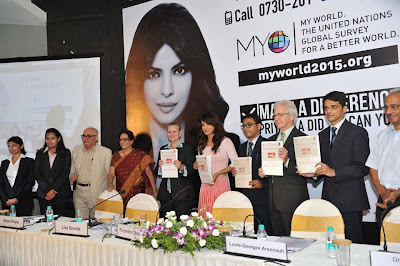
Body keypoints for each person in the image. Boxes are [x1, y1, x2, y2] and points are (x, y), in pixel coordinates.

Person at [125, 3, 229, 158]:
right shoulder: (133, 151)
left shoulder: (221, 143)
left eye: (179, 71)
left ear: (196, 75)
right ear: (138, 80)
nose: (167, 90)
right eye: (154, 75)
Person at [300, 91, 370, 244]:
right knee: (331, 245)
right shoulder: (322, 135)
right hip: (329, 200)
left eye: (333, 107)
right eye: (326, 108)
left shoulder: (357, 132)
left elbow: (363, 168)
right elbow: (322, 166)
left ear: (344, 108)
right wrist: (312, 173)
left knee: (353, 245)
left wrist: (334, 172)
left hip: (351, 201)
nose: (329, 111)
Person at [258, 100, 308, 236]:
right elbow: (272, 168)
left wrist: (287, 161)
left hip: (292, 198)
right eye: (274, 115)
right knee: (278, 240)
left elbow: (306, 171)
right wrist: (264, 172)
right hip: (273, 199)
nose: (276, 118)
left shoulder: (302, 139)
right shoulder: (270, 140)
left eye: (280, 114)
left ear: (292, 116)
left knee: (296, 241)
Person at [231, 113, 272, 235]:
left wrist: (263, 183)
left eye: (249, 125)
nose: (246, 128)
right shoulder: (241, 147)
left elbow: (275, 171)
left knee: (264, 231)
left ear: (259, 126)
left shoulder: (267, 144)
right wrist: (235, 172)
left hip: (263, 197)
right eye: (243, 126)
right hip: (245, 196)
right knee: (248, 231)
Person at [366, 89, 400, 227]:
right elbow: (373, 166)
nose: (388, 112)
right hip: (385, 199)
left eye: (394, 106)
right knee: (385, 244)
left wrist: (398, 193)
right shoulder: (382, 135)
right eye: (386, 107)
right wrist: (382, 191)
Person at [193, 112, 238, 217]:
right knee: (205, 218)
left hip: (221, 183)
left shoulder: (225, 141)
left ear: (215, 124)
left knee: (221, 217)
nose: (205, 127)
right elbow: (203, 164)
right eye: (203, 125)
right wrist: (197, 165)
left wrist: (218, 173)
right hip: (205, 185)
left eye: (208, 124)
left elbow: (235, 162)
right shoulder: (201, 144)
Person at [107, 130, 157, 210]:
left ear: (131, 141)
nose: (122, 142)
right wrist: (110, 183)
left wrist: (154, 189)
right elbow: (111, 173)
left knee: (137, 213)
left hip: (138, 192)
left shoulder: (140, 154)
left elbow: (149, 173)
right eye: (120, 140)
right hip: (122, 191)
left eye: (125, 139)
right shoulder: (116, 156)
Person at [70, 127, 112, 219]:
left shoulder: (105, 152)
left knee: (98, 223)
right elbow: (72, 170)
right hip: (79, 192)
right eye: (83, 136)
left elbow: (110, 173)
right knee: (80, 223)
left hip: (96, 192)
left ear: (96, 138)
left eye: (89, 136)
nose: (85, 138)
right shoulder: (76, 150)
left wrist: (110, 191)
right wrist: (72, 176)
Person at [156, 122, 196, 218]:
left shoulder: (187, 148)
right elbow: (156, 172)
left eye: (174, 131)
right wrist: (160, 167)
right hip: (165, 194)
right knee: (165, 226)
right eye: (169, 132)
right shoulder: (163, 149)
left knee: (182, 226)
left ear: (180, 133)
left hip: (183, 194)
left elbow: (192, 170)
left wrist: (182, 167)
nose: (171, 134)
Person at [35, 128, 72, 216]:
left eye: (52, 138)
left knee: (61, 221)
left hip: (61, 193)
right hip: (44, 194)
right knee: (46, 221)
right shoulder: (40, 153)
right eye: (47, 138)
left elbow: (65, 172)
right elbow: (37, 173)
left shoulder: (65, 153)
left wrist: (54, 190)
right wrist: (47, 190)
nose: (49, 141)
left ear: (58, 139)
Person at [0, 136, 35, 216]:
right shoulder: (4, 163)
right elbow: (1, 183)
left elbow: (30, 182)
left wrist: (17, 198)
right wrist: (5, 199)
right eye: (9, 146)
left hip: (23, 201)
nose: (11, 148)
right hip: (7, 202)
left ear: (21, 146)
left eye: (14, 145)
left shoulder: (29, 161)